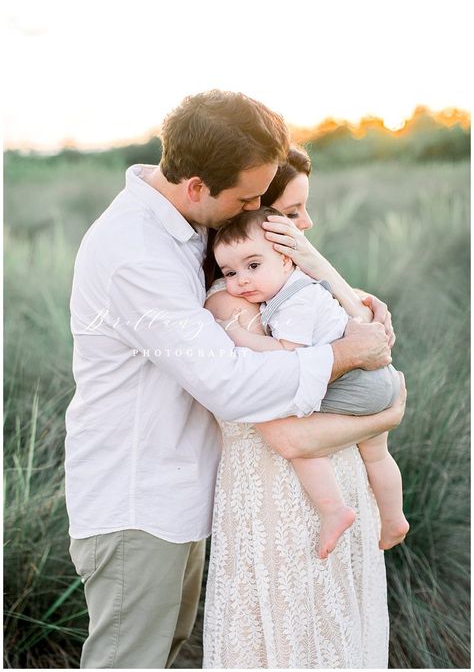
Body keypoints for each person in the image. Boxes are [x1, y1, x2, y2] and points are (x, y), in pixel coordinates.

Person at [65, 93, 402, 669]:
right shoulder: (135, 251)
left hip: (185, 492)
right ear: (196, 186)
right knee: (130, 661)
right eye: (246, 199)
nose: (254, 210)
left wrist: (345, 304)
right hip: (137, 498)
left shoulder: (188, 223)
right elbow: (227, 383)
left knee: (164, 652)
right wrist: (351, 356)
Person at [203, 146, 406, 668]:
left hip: (334, 481)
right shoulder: (232, 301)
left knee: (340, 637)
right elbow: (287, 433)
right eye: (292, 215)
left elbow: (368, 339)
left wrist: (325, 271)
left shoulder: (285, 285)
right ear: (256, 218)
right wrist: (388, 414)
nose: (307, 222)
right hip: (279, 498)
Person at [212, 206, 409, 559]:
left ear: (287, 261)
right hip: (376, 379)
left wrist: (239, 335)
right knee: (377, 454)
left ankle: (334, 508)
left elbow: (288, 354)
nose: (241, 280)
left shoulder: (293, 300)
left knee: (296, 419)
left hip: (356, 383)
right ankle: (394, 519)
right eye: (230, 272)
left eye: (253, 266)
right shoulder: (301, 288)